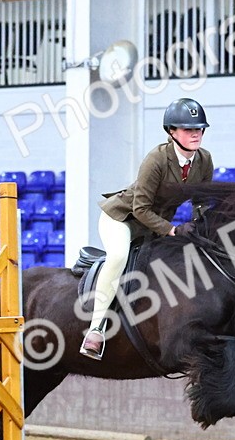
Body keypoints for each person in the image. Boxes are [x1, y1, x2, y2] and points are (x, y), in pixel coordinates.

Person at [80, 97, 215, 360]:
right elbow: (140, 209)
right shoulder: (156, 159)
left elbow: (201, 201)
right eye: (189, 129)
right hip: (123, 219)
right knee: (118, 257)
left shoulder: (204, 160)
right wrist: (173, 231)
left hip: (153, 226)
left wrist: (202, 226)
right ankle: (95, 329)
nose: (195, 134)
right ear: (171, 132)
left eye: (199, 129)